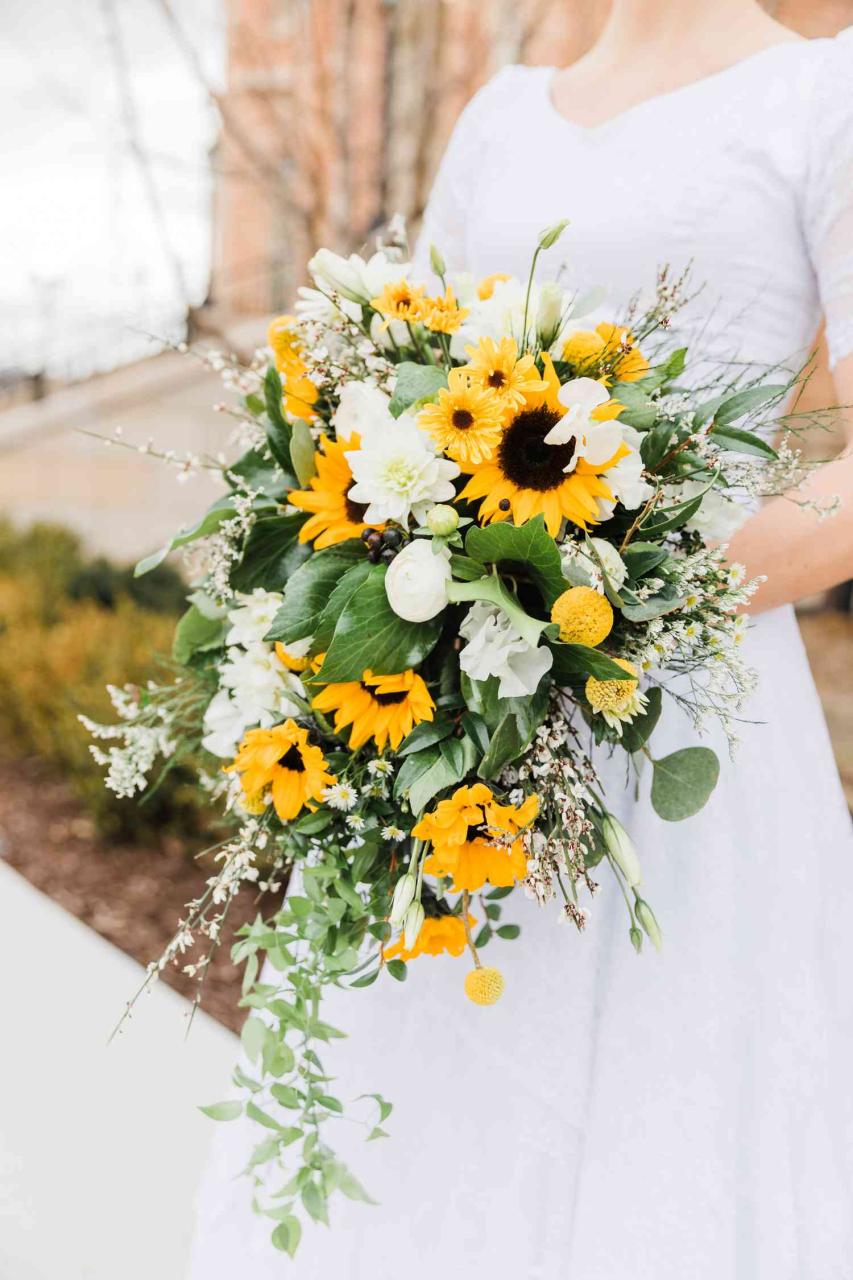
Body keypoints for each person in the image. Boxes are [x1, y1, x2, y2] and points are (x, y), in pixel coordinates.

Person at [189, 4, 853, 1274]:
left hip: (688, 738)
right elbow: (406, 396)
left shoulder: (818, 102)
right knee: (431, 1117)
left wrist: (622, 597)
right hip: (458, 741)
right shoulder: (497, 115)